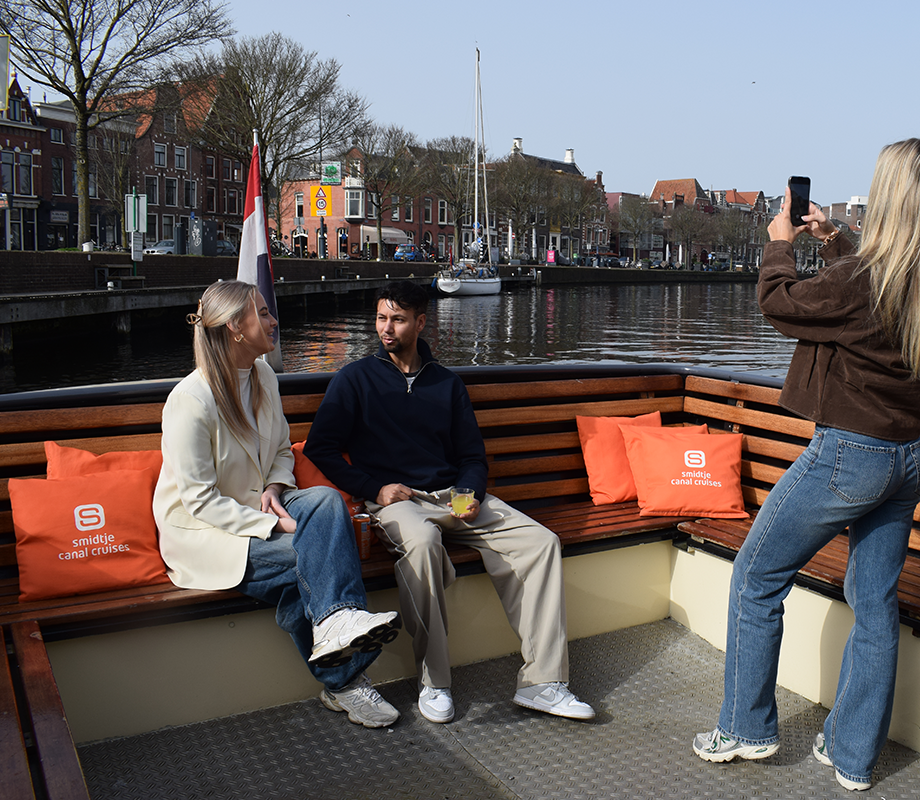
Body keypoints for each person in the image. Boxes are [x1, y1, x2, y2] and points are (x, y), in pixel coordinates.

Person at [692, 139, 920, 792]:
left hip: (849, 455)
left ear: (890, 196)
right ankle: (852, 755)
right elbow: (862, 294)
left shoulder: (861, 279)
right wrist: (836, 237)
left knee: (756, 575)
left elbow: (782, 304)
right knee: (875, 609)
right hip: (904, 460)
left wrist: (780, 241)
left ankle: (747, 729)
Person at [304, 281, 594, 725]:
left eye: (398, 319)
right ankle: (434, 680)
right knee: (421, 543)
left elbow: (472, 456)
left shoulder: (447, 383)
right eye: (382, 318)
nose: (387, 328)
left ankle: (543, 683)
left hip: (453, 499)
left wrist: (469, 494)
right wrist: (375, 488)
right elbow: (321, 448)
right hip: (397, 502)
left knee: (541, 542)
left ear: (421, 323)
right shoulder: (354, 379)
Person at [154, 280, 401, 728]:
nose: (273, 321)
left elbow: (284, 450)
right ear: (235, 327)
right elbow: (199, 501)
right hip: (207, 534)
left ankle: (333, 626)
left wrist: (274, 486)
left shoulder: (264, 374)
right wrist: (276, 527)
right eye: (263, 313)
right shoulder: (190, 401)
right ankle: (344, 674)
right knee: (309, 558)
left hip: (264, 505)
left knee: (325, 501)